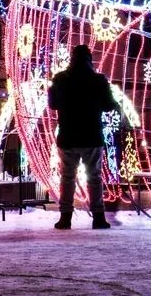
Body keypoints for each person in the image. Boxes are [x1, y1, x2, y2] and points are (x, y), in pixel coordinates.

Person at [48, 44, 117, 229]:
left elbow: (52, 104)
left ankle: (65, 217)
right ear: (89, 59)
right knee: (94, 177)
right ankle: (98, 217)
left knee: (67, 177)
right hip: (91, 135)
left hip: (68, 136)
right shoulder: (98, 80)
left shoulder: (60, 79)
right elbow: (109, 105)